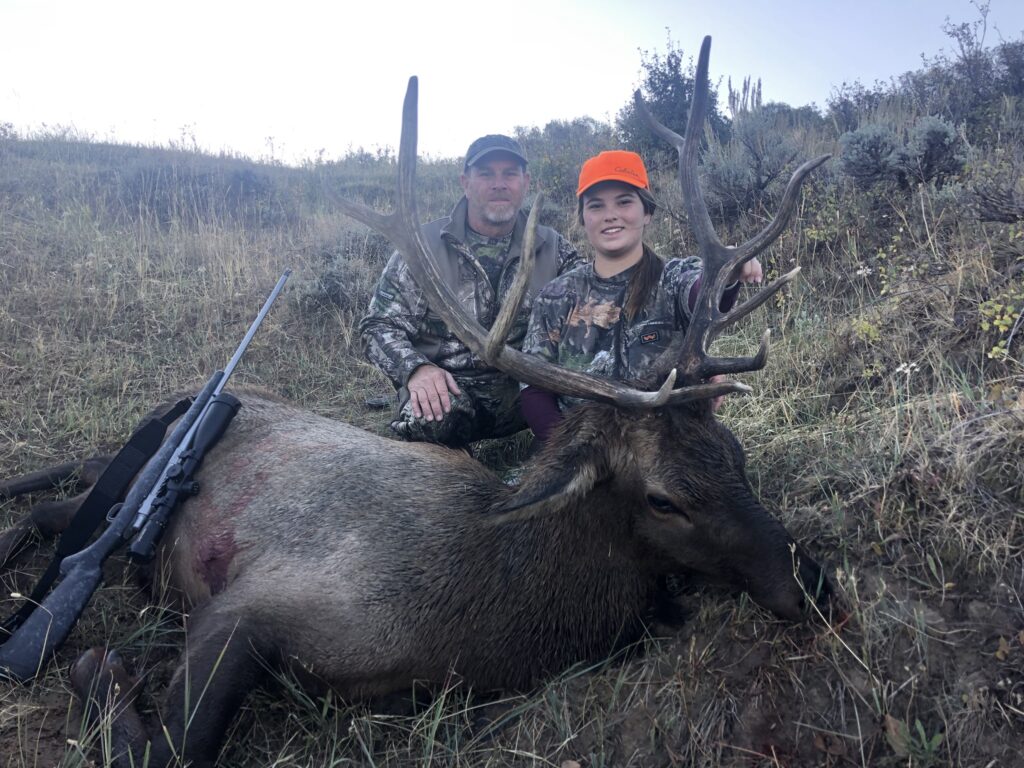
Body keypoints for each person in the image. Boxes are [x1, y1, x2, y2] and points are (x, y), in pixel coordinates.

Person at [520, 150, 763, 441]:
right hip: (586, 449)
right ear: (583, 219)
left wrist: (725, 273)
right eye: (596, 206)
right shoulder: (556, 296)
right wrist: (567, 451)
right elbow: (533, 387)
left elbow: (702, 295)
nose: (610, 215)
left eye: (624, 202)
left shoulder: (674, 277)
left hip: (667, 444)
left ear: (647, 212)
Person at [359, 134, 581, 447]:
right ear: (466, 182)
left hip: (529, 390)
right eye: (486, 174)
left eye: (510, 174)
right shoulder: (421, 248)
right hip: (451, 390)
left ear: (525, 182)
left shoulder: (555, 247)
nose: (499, 184)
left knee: (595, 400)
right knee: (430, 418)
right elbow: (377, 326)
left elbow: (593, 313)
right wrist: (416, 369)